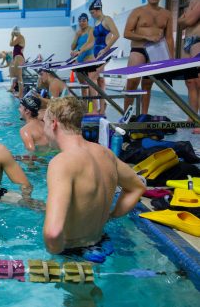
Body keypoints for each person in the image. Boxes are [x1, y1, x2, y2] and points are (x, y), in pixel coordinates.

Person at [42, 97, 146, 259]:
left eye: (44, 123)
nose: (44, 130)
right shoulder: (105, 153)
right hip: (101, 241)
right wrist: (113, 216)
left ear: (53, 123)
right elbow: (137, 187)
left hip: (74, 252)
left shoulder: (62, 162)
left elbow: (53, 232)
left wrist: (56, 257)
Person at [124, 0, 174, 115]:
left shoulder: (167, 14)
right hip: (138, 49)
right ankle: (126, 115)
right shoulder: (138, 11)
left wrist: (171, 59)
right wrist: (146, 37)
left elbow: (169, 38)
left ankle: (144, 116)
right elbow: (127, 33)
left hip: (156, 51)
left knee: (147, 84)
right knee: (132, 82)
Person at [89, 0, 120, 114]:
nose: (92, 15)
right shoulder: (96, 22)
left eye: (92, 12)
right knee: (100, 81)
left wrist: (106, 49)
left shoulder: (107, 19)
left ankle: (94, 110)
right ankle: (101, 109)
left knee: (91, 78)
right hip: (97, 54)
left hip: (104, 54)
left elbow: (116, 35)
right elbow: (95, 41)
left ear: (98, 10)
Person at [178, 0, 200, 134]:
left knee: (199, 82)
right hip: (187, 42)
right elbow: (180, 23)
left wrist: (185, 18)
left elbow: (189, 20)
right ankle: (192, 117)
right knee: (190, 82)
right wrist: (184, 20)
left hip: (198, 39)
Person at [71, 13, 95, 101]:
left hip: (88, 59)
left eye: (84, 20)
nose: (82, 23)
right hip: (78, 60)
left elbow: (88, 43)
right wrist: (77, 36)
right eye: (80, 21)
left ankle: (91, 108)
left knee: (91, 86)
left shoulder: (91, 30)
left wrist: (79, 50)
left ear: (88, 21)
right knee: (83, 87)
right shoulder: (78, 33)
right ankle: (85, 108)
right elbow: (72, 47)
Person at [9, 26, 26, 98]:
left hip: (19, 57)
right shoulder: (18, 37)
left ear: (16, 32)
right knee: (17, 76)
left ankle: (21, 94)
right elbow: (11, 44)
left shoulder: (20, 37)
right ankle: (17, 91)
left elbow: (11, 44)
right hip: (17, 57)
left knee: (19, 76)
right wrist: (12, 37)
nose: (13, 34)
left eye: (14, 33)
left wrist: (12, 36)